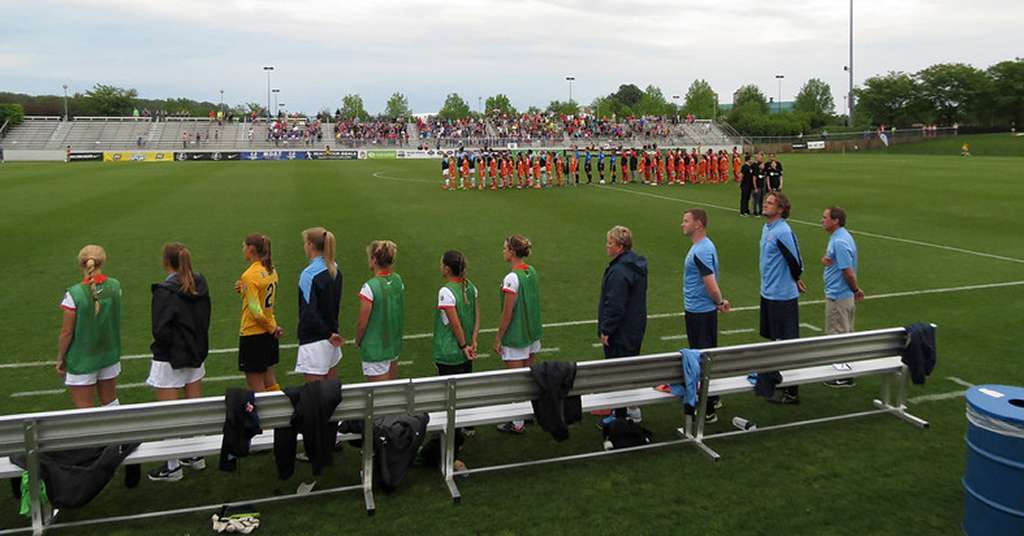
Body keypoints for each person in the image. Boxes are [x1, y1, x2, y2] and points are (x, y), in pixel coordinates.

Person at [146, 243, 211, 482]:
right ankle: (194, 455)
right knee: (192, 406)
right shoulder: (199, 283)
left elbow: (160, 329)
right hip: (195, 353)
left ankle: (172, 465)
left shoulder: (165, 290)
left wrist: (174, 347)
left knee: (169, 414)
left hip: (170, 357)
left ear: (166, 262)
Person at [56, 245, 122, 409]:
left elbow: (66, 332)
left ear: (81, 264)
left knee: (85, 410)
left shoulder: (74, 294)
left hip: (82, 359)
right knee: (111, 403)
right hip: (108, 353)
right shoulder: (115, 286)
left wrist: (60, 358)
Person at [681, 210, 731, 423]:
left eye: (686, 221)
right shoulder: (703, 246)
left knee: (701, 358)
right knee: (706, 354)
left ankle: (708, 408)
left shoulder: (701, 250)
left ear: (698, 224)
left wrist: (719, 302)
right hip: (700, 309)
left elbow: (710, 283)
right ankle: (714, 397)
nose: (682, 224)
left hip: (700, 312)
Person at [758, 192, 806, 404]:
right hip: (768, 292)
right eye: (766, 201)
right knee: (773, 339)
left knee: (786, 342)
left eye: (770, 203)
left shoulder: (783, 231)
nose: (765, 204)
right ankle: (776, 378)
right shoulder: (767, 228)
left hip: (782, 296)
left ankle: (792, 391)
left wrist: (795, 279)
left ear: (780, 209)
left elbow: (795, 261)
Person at [597, 226, 648, 424]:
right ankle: (632, 410)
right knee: (630, 368)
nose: (606, 247)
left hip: (622, 331)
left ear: (619, 247)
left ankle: (620, 415)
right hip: (635, 326)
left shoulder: (620, 271)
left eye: (610, 243)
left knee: (619, 372)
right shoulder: (635, 265)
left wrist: (606, 329)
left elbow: (615, 304)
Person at [493, 235, 542, 434]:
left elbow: (508, 312)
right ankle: (526, 412)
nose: (503, 251)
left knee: (515, 380)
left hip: (516, 335)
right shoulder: (531, 271)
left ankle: (517, 422)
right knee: (528, 376)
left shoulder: (511, 278)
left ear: (512, 252)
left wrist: (498, 337)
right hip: (532, 333)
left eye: (505, 248)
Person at [820, 207, 864, 388]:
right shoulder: (840, 237)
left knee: (837, 333)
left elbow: (847, 270)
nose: (822, 220)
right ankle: (843, 370)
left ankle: (842, 374)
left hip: (839, 294)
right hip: (840, 293)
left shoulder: (839, 241)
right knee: (842, 331)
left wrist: (855, 289)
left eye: (825, 218)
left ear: (835, 220)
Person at [295, 227, 344, 382]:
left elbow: (309, 313)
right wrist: (331, 334)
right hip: (331, 339)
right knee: (331, 394)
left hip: (314, 342)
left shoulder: (308, 274)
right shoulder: (335, 269)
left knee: (316, 398)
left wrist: (327, 334)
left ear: (310, 245)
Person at [235, 234, 282, 392]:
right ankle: (279, 414)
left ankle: (264, 417)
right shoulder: (271, 270)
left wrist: (271, 328)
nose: (243, 250)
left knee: (257, 386)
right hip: (268, 334)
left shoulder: (249, 275)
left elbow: (255, 310)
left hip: (253, 334)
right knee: (270, 380)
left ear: (251, 249)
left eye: (244, 246)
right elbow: (262, 298)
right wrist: (244, 290)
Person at [355, 240, 404, 381]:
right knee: (390, 392)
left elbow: (362, 323)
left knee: (379, 397)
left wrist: (358, 340)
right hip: (393, 345)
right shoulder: (397, 280)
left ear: (374, 259)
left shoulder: (369, 287)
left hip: (375, 349)